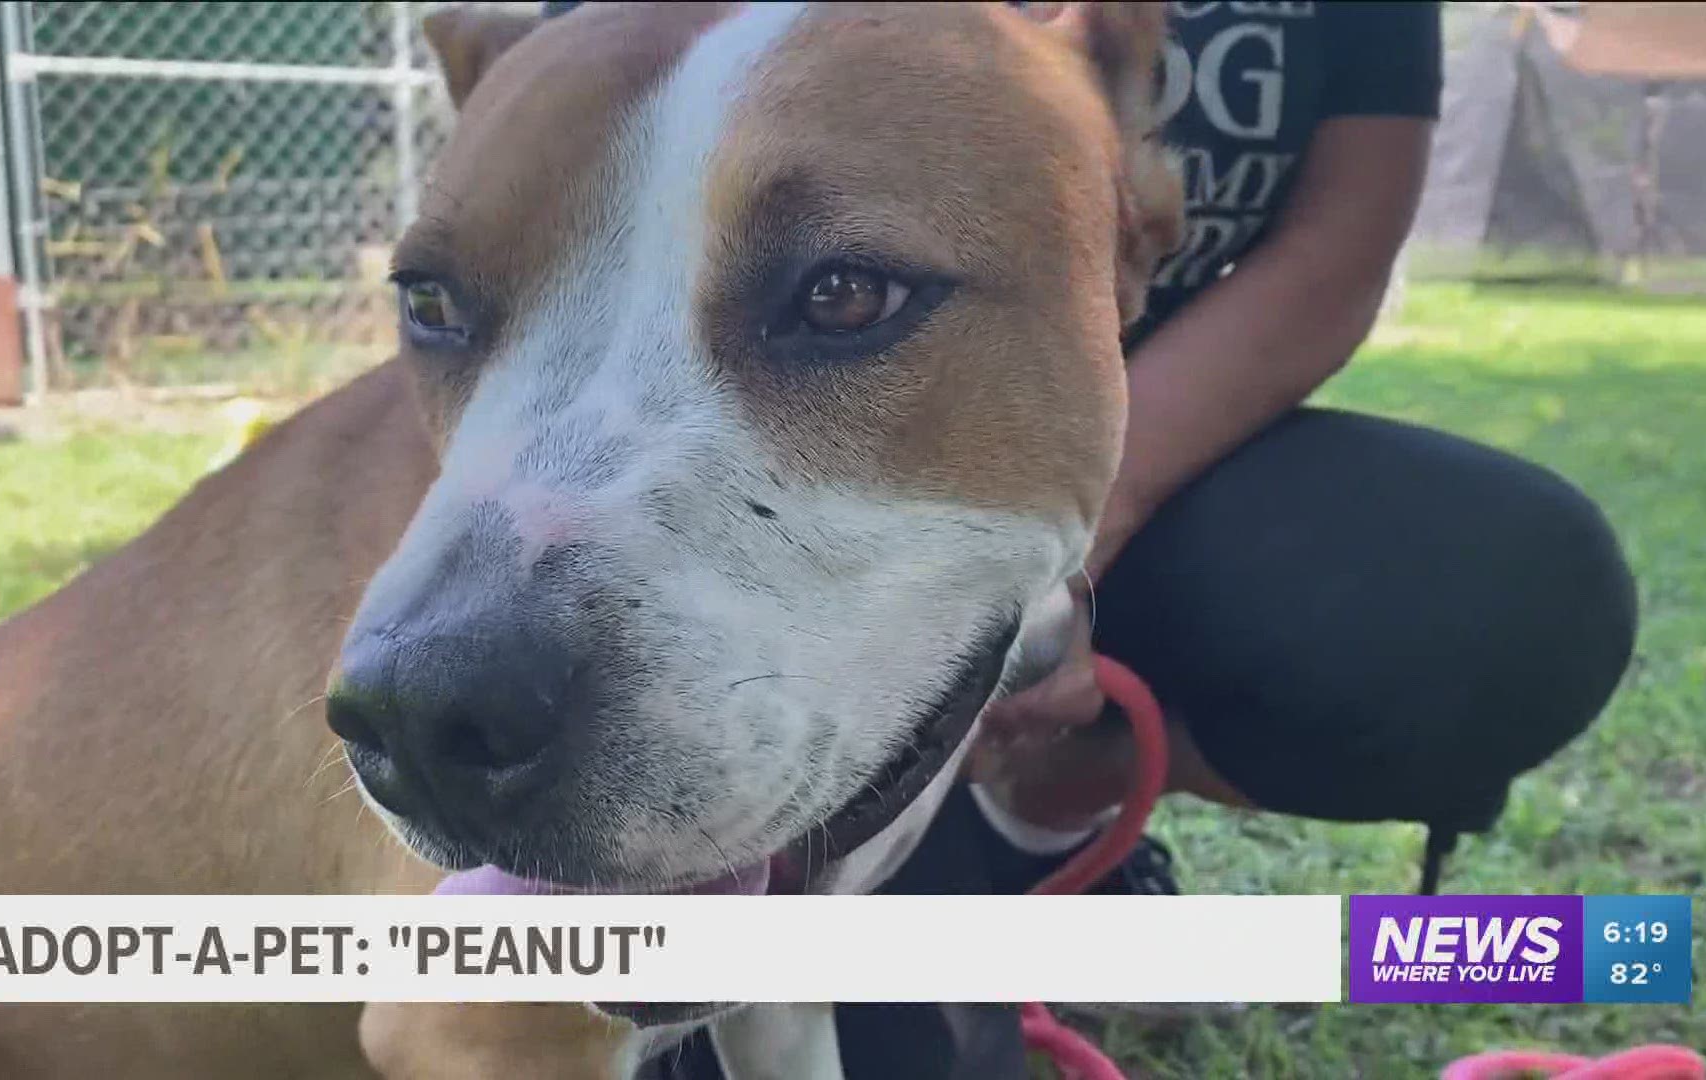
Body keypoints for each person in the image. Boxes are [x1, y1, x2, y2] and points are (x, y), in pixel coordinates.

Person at [541, 2, 1636, 1077]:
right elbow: (604, 134)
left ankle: (1042, 820)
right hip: (733, 445)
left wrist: (1054, 564)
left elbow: (1338, 243)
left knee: (1512, 597)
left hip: (1153, 443)